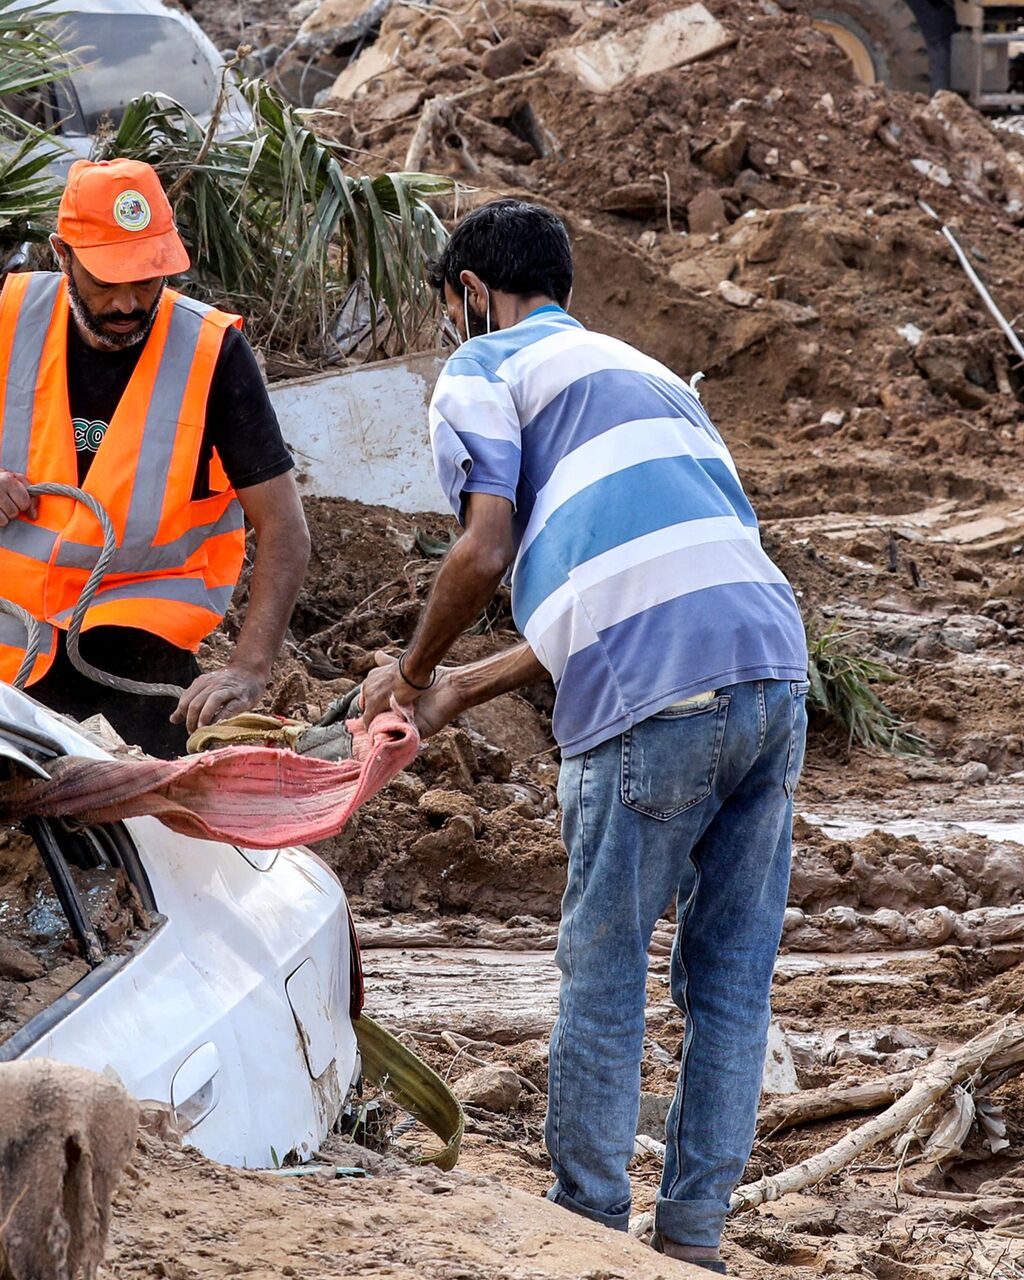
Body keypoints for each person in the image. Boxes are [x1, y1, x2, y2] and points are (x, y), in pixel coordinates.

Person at [361, 199, 809, 1273]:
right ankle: (694, 1238)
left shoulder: (480, 367)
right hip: (773, 672)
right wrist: (463, 688)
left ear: (472, 293)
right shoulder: (649, 375)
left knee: (604, 974)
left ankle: (589, 1234)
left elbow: (483, 548)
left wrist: (410, 670)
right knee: (734, 982)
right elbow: (635, 577)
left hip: (655, 697)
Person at [0, 158, 310, 758]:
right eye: (107, 280)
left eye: (146, 278)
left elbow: (285, 526)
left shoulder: (212, 354)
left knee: (161, 790)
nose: (129, 302)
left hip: (132, 618)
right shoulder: (11, 320)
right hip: (7, 626)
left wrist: (248, 668)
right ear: (63, 254)